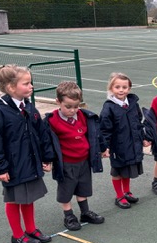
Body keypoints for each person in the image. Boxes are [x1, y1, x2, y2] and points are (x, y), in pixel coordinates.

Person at [0, 64, 55, 243]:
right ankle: (17, 235)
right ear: (11, 87)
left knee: (28, 197)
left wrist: (46, 158)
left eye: (30, 83)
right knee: (14, 199)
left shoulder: (29, 107)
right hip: (13, 166)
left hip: (30, 163)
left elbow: (42, 134)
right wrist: (0, 167)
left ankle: (31, 229)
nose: (31, 86)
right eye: (26, 83)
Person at [45, 81, 109, 231]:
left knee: (83, 187)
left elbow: (95, 134)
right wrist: (46, 160)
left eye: (76, 106)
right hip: (66, 163)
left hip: (84, 160)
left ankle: (85, 212)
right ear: (58, 102)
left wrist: (103, 148)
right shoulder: (51, 121)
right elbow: (46, 143)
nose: (73, 110)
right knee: (66, 190)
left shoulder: (85, 117)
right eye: (68, 107)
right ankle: (68, 215)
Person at [99, 72, 147, 209]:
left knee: (128, 169)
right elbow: (104, 129)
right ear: (111, 89)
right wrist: (105, 147)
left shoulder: (133, 104)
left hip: (132, 144)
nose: (121, 90)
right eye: (117, 87)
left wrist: (143, 138)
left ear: (129, 89)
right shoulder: (109, 107)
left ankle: (126, 192)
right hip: (118, 146)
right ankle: (119, 195)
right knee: (118, 171)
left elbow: (138, 122)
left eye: (124, 87)